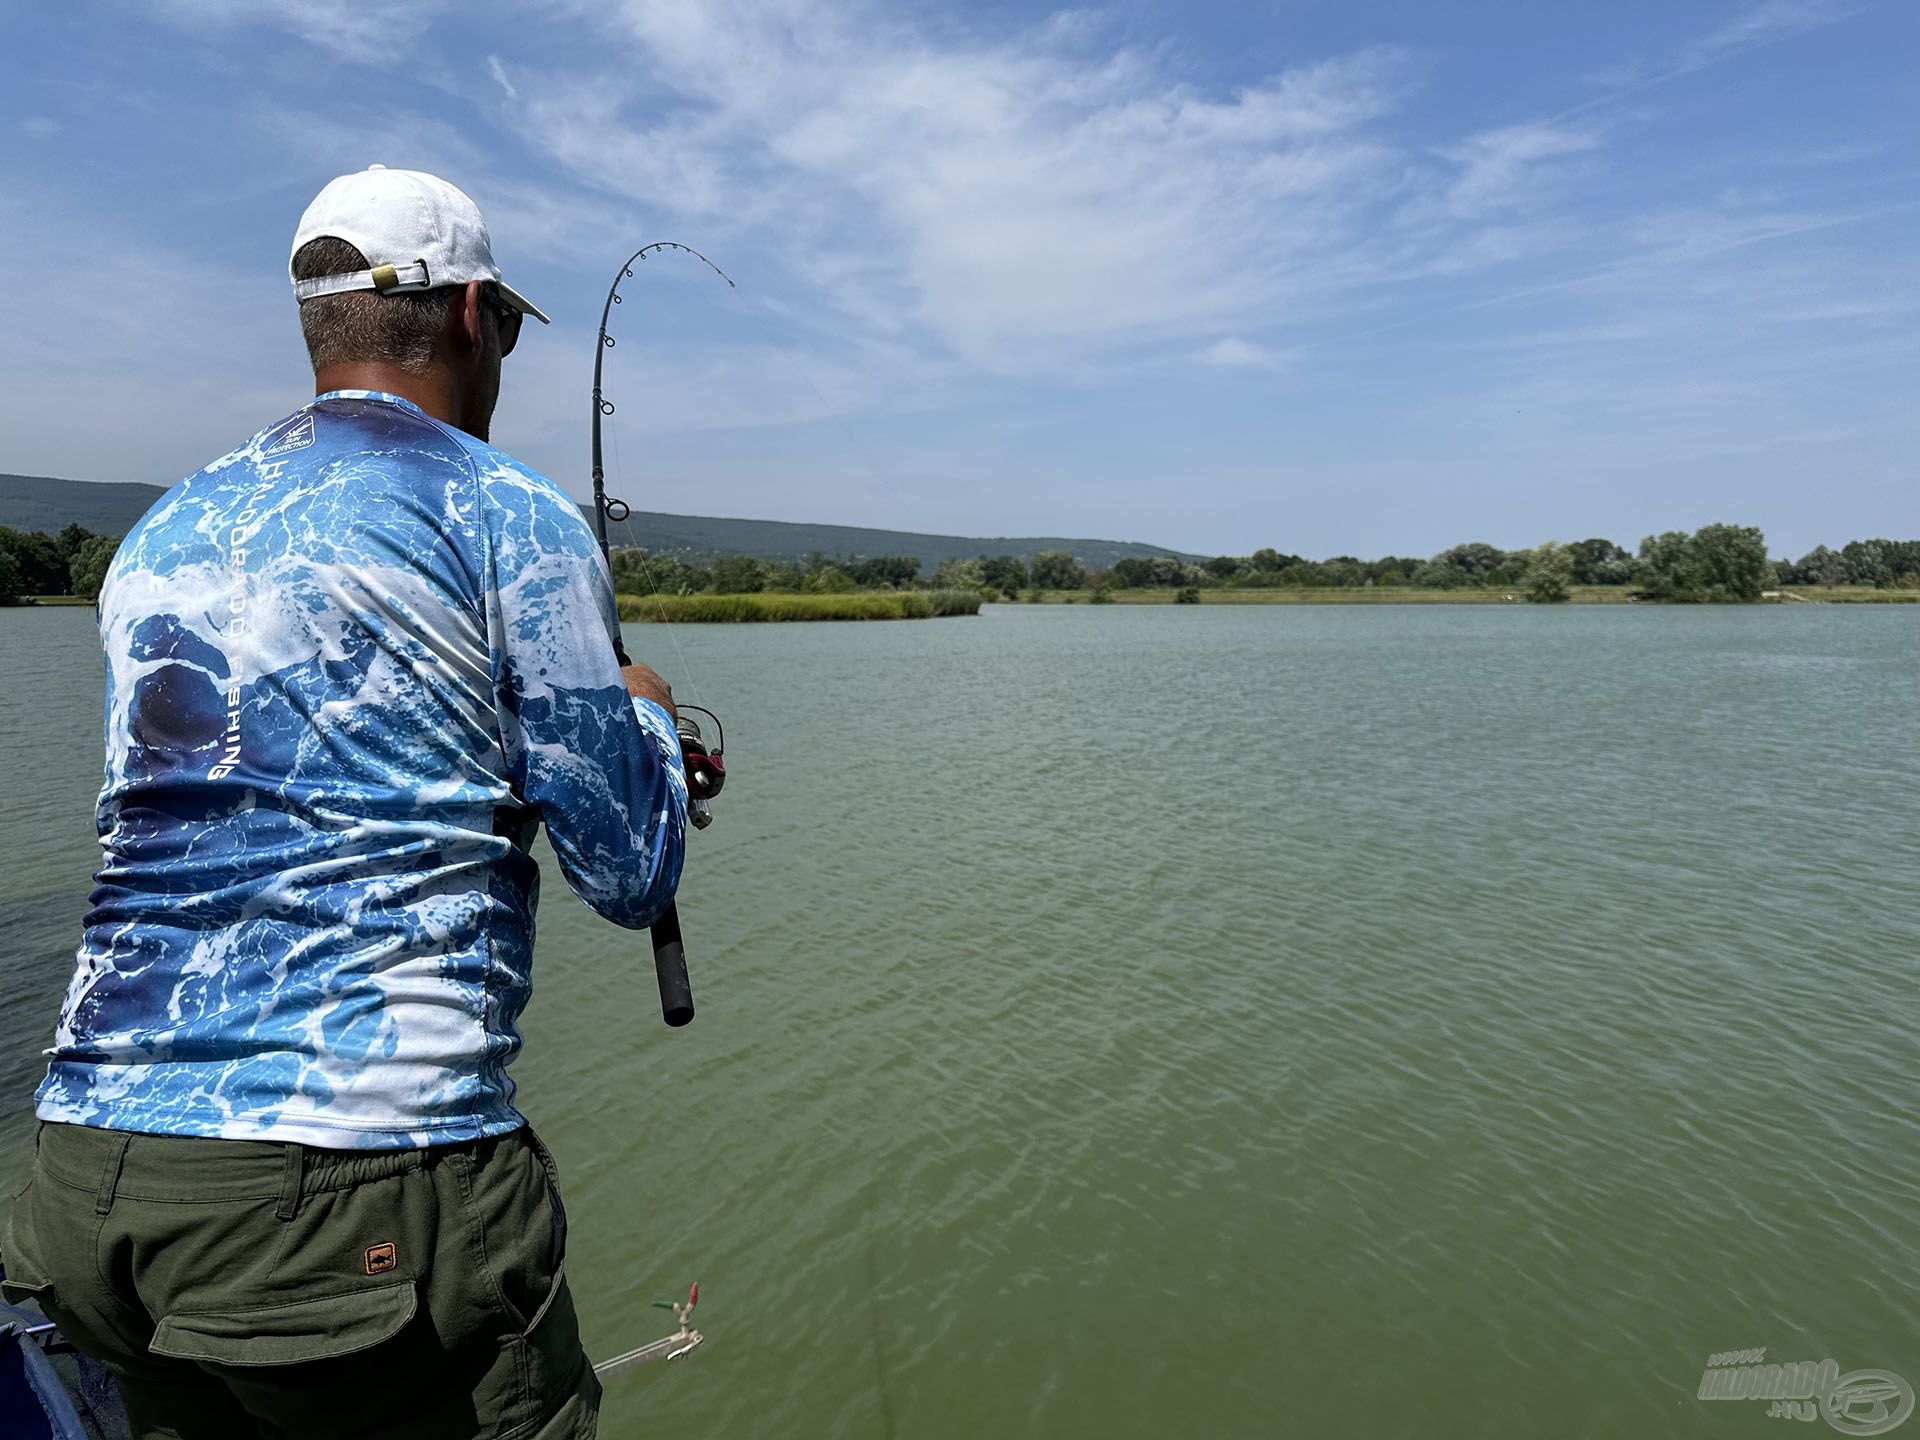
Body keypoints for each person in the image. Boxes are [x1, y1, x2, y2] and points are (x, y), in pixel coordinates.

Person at [0, 165, 688, 1439]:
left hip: (84, 1186)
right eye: (515, 330)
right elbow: (631, 868)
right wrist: (641, 708)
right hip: (363, 1199)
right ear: (476, 316)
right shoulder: (504, 513)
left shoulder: (158, 538)